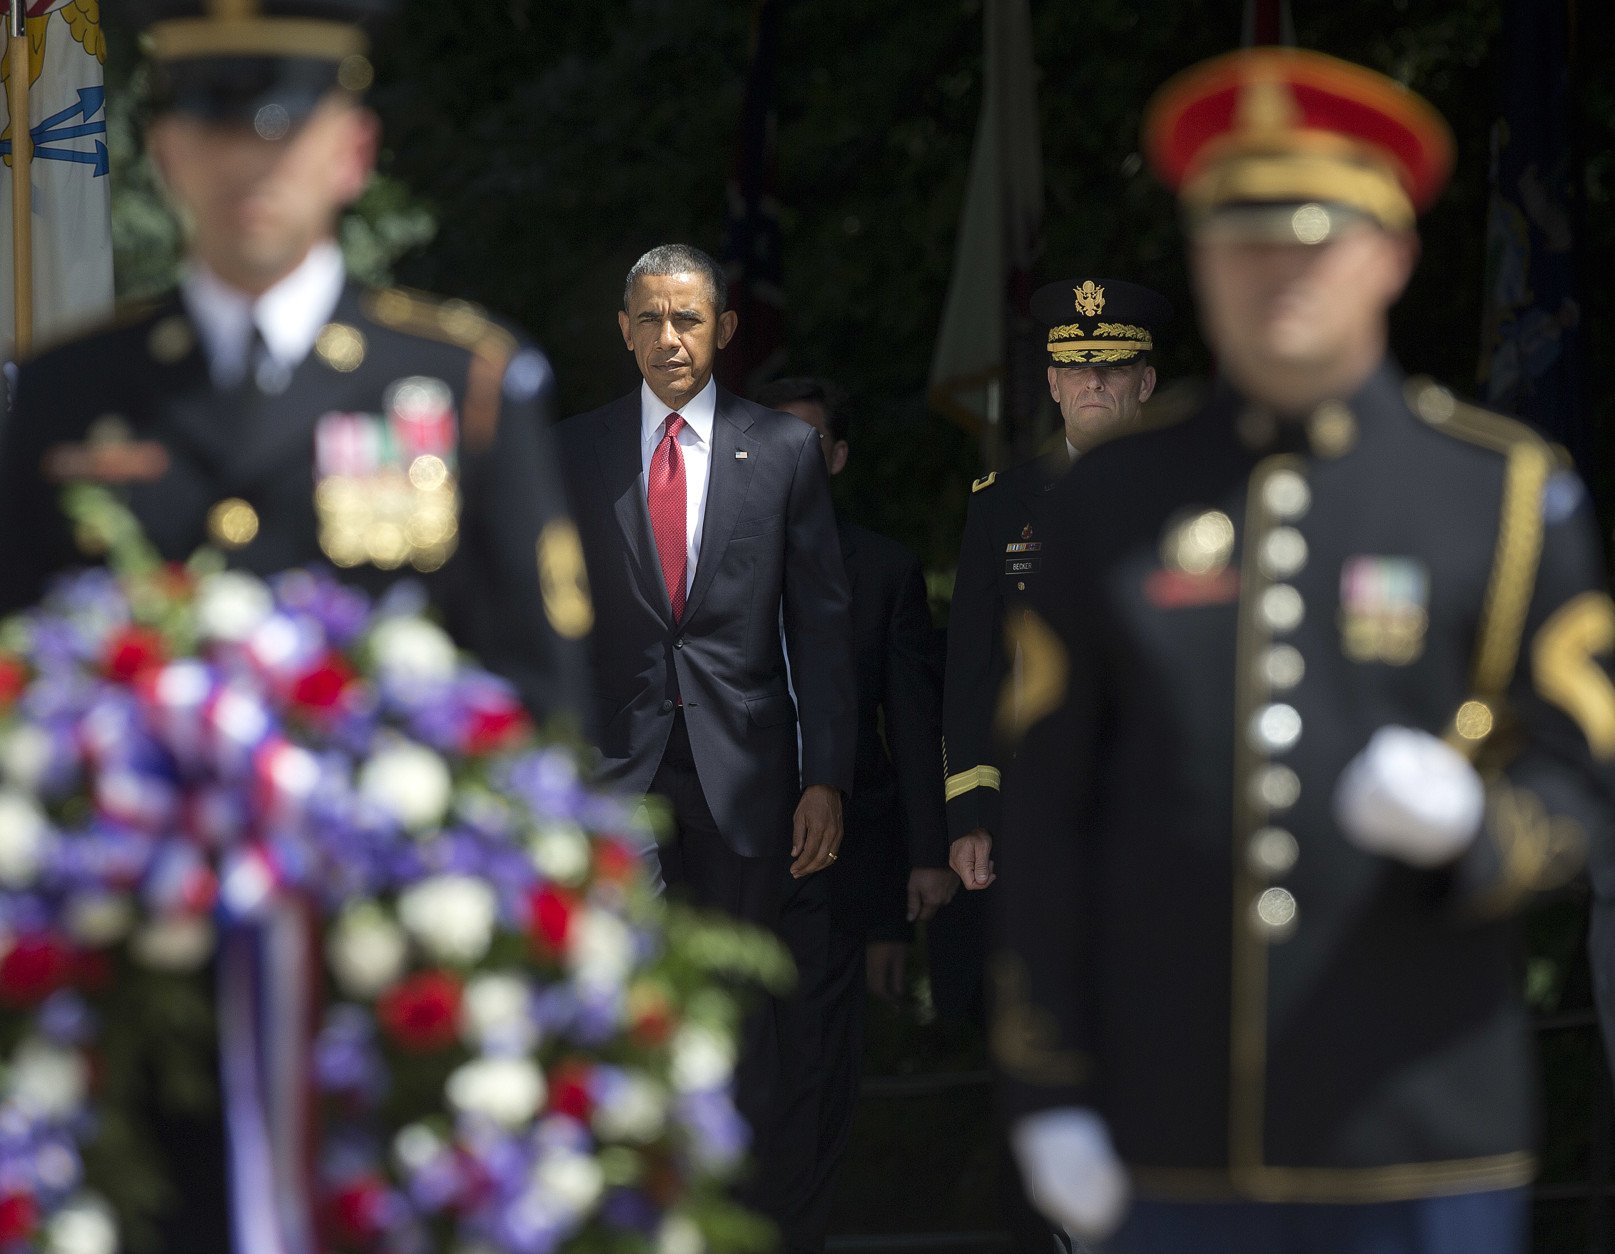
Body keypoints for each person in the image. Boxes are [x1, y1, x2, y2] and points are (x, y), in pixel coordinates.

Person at [995, 47, 1615, 1254]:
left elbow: (1583, 774)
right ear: (1200, 261)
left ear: (1390, 254)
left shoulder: (1498, 495)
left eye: (1314, 238)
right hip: (1164, 1133)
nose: (1277, 271)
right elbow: (1048, 819)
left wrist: (1478, 833)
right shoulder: (1104, 505)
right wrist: (1047, 1089)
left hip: (1419, 1134)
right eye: (1241, 239)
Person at [0, 2, 593, 1251]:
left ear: (354, 151)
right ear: (163, 151)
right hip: (125, 1003)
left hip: (393, 1007)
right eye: (214, 123)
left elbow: (540, 705)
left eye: (286, 125)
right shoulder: (70, 394)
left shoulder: (457, 384)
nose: (250, 160)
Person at [555, 247, 856, 1253]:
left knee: (742, 1020)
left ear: (723, 327)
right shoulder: (575, 452)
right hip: (614, 776)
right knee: (624, 1002)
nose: (671, 339)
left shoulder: (780, 451)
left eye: (689, 319)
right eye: (651, 319)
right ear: (624, 327)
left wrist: (826, 779)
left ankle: (749, 1225)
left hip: (749, 778)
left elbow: (821, 627)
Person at [751, 375, 954, 1244]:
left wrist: (920, 863)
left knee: (815, 1067)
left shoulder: (881, 569)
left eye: (810, 445)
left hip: (838, 863)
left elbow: (909, 727)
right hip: (719, 849)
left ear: (835, 456)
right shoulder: (702, 549)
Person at [943, 277, 1169, 897]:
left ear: (1144, 384)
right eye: (1076, 369)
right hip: (1040, 796)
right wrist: (971, 814)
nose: (1094, 383)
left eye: (1114, 368)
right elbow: (975, 667)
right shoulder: (1000, 504)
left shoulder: (1193, 499)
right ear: (1054, 384)